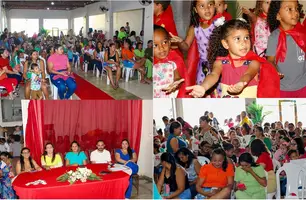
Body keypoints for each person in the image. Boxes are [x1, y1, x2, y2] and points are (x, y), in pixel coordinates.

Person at [187, 19, 279, 98]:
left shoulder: (253, 62)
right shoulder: (220, 62)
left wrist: (242, 83)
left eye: (246, 38)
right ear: (225, 44)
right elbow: (213, 75)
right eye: (237, 39)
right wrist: (203, 87)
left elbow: (248, 74)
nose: (244, 43)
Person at [266, 0, 306, 97]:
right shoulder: (274, 37)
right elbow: (270, 60)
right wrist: (275, 70)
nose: (296, 12)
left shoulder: (303, 33)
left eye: (296, 9)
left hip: (303, 85)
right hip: (283, 87)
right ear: (278, 16)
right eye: (289, 9)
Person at [153, 25, 186, 98]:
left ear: (170, 42)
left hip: (170, 95)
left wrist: (176, 84)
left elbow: (178, 78)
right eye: (155, 45)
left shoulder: (173, 61)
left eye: (164, 42)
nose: (161, 48)